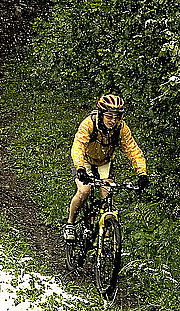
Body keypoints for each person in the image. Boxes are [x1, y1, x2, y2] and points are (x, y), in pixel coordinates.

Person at [64, 94, 149, 241]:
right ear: (101, 114)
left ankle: (107, 232)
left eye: (117, 117)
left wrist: (142, 173)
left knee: (108, 192)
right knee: (85, 190)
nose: (113, 120)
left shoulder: (121, 128)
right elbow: (78, 146)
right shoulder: (89, 124)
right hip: (85, 160)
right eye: (109, 116)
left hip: (104, 161)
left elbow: (132, 149)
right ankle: (70, 224)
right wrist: (80, 168)